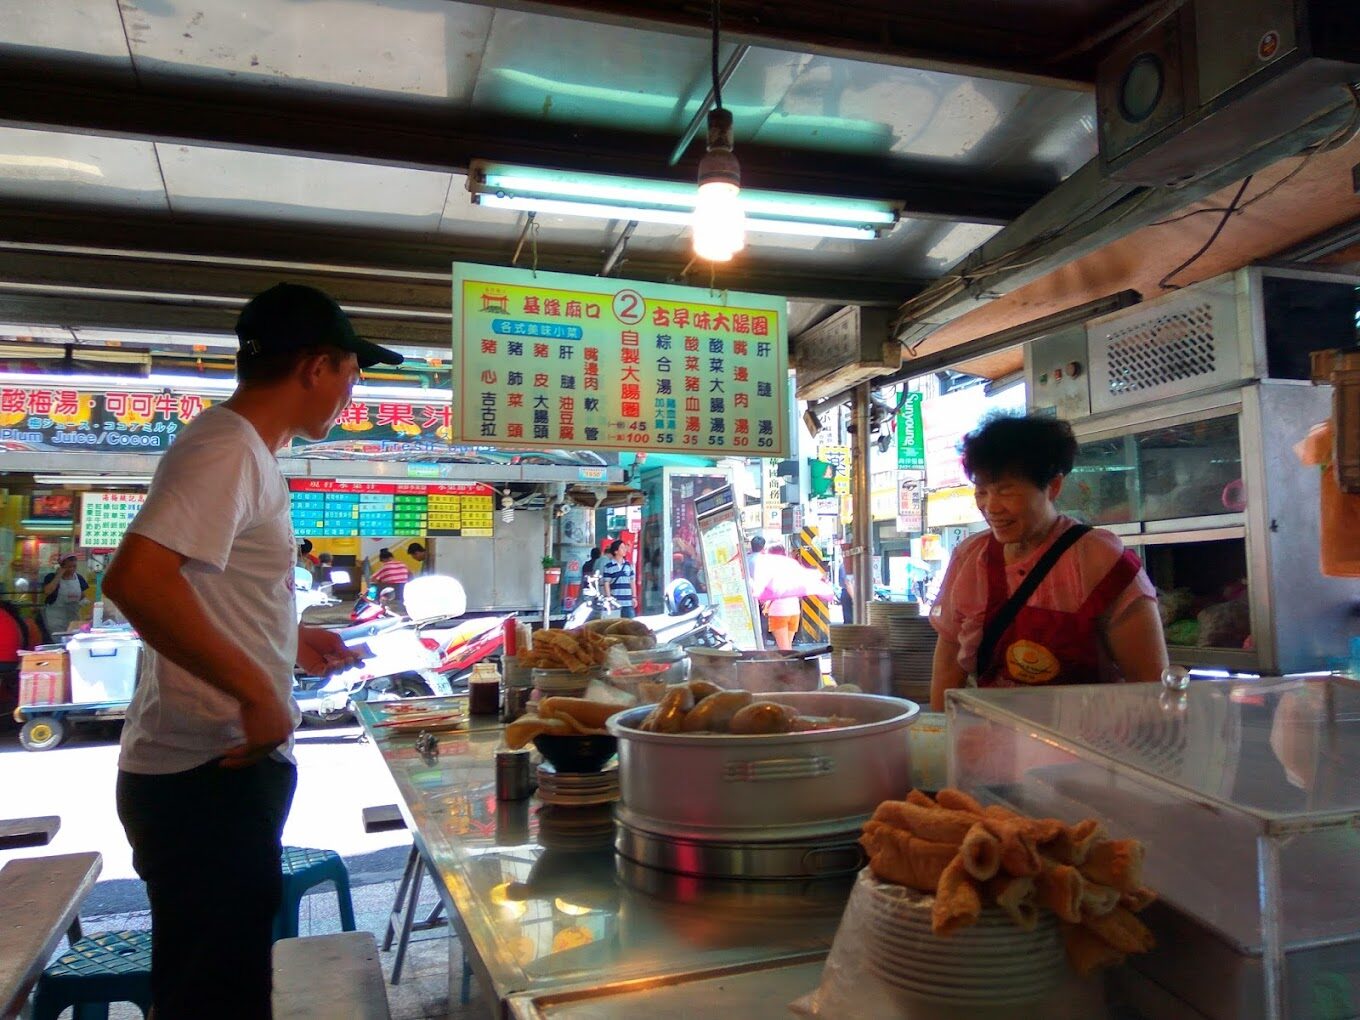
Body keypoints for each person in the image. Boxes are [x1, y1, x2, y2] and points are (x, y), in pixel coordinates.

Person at [102, 282, 395, 1019]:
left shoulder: (248, 451)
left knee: (221, 980)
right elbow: (135, 580)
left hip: (215, 768)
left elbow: (200, 586)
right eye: (353, 372)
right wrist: (260, 693)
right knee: (215, 996)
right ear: (316, 367)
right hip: (206, 773)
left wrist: (287, 638)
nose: (352, 392)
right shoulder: (227, 445)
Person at [929, 415, 1168, 712]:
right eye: (982, 491)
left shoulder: (1098, 559)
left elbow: (1148, 683)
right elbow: (951, 650)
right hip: (995, 741)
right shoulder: (970, 557)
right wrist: (939, 730)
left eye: (1006, 490)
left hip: (1089, 744)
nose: (991, 507)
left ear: (1053, 486)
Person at [762, 545, 803, 650]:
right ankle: (792, 665)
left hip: (779, 611)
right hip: (794, 609)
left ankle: (790, 666)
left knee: (784, 650)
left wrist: (767, 604)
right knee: (787, 647)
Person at [41, 554, 90, 635]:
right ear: (62, 566)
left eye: (74, 566)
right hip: (56, 618)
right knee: (58, 638)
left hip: (73, 617)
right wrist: (58, 575)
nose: (72, 569)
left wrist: (84, 603)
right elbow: (48, 591)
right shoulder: (51, 577)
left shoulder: (79, 578)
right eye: (68, 566)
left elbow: (82, 596)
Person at [601, 539, 636, 618]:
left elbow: (632, 581)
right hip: (615, 603)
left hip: (628, 602)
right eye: (622, 548)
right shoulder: (608, 566)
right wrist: (609, 598)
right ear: (616, 551)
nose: (625, 550)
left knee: (630, 627)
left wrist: (634, 597)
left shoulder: (628, 565)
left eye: (625, 548)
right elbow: (606, 583)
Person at [837, 557, 855, 624]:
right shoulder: (846, 566)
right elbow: (848, 583)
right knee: (850, 620)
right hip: (848, 594)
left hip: (850, 593)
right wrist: (854, 598)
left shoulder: (847, 565)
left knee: (850, 619)